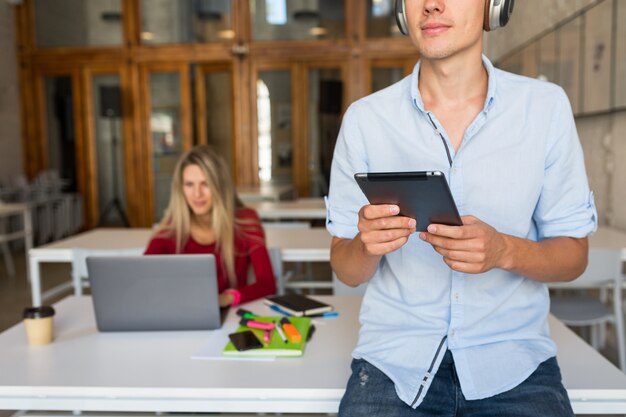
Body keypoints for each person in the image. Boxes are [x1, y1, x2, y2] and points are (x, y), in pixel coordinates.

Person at [326, 0, 597, 416]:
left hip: (514, 363)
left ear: (493, 6)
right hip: (394, 363)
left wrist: (505, 250)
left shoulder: (545, 109)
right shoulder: (365, 120)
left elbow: (574, 257)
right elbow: (345, 269)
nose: (432, 4)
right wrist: (365, 247)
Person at [145, 145, 276, 307]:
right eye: (189, 184)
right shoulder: (171, 228)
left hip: (229, 319)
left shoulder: (245, 221)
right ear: (181, 189)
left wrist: (224, 299)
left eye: (205, 184)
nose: (197, 194)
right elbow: (143, 279)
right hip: (181, 315)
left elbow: (267, 284)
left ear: (219, 186)